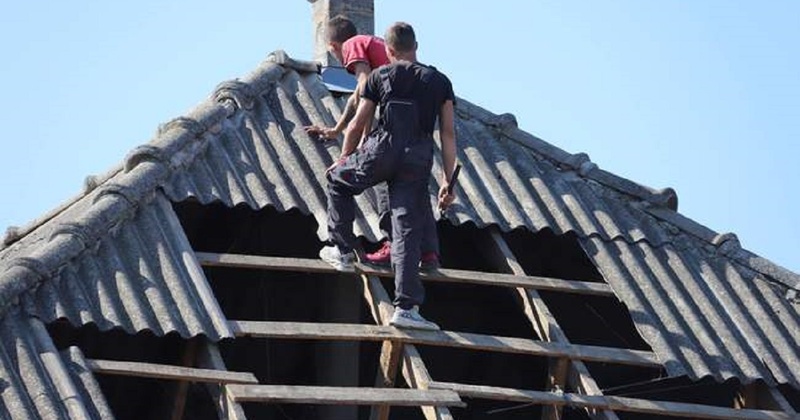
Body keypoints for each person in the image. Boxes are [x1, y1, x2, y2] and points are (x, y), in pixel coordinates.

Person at [318, 22, 457, 330]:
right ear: (416, 45)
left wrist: (344, 159)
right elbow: (447, 134)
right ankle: (406, 309)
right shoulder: (440, 81)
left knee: (337, 182)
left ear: (389, 51)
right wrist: (448, 180)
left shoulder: (380, 76)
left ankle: (341, 250)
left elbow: (357, 124)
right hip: (418, 158)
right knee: (405, 227)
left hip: (383, 150)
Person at [305, 16, 439, 269]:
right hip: (417, 121)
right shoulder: (374, 45)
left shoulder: (352, 44)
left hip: (394, 126)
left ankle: (344, 248)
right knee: (412, 186)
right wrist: (337, 129)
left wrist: (360, 140)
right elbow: (360, 95)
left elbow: (365, 87)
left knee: (360, 179)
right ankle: (427, 253)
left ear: (333, 46)